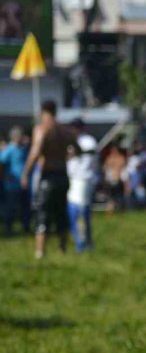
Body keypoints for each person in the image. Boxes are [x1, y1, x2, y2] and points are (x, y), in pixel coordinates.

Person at [20, 100, 77, 259]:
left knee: (42, 213)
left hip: (48, 176)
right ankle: (63, 249)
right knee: (61, 212)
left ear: (43, 111)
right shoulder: (65, 130)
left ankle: (40, 252)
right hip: (63, 175)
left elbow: (35, 152)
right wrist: (64, 155)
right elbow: (76, 149)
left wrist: (26, 173)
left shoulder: (42, 129)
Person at [66, 119, 99, 252]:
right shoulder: (70, 141)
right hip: (72, 179)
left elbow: (90, 154)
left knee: (79, 212)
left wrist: (75, 153)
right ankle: (83, 241)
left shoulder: (88, 141)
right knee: (73, 211)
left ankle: (82, 243)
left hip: (83, 179)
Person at [1, 125, 30, 235]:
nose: (23, 138)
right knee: (11, 207)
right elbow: (2, 162)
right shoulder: (10, 149)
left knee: (25, 207)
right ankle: (8, 229)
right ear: (15, 137)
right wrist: (4, 176)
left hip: (23, 183)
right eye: (21, 136)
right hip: (12, 184)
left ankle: (26, 227)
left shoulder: (23, 149)